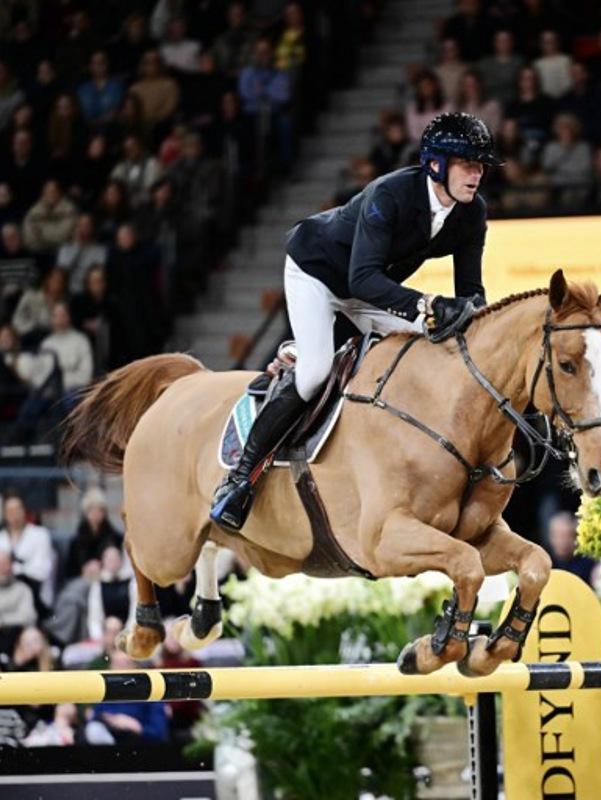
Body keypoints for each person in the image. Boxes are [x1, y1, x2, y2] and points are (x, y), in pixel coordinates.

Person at [210, 112, 503, 532]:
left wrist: (473, 321)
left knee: (435, 341)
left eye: (481, 166)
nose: (477, 175)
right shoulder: (390, 195)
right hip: (319, 272)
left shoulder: (472, 213)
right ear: (437, 164)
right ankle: (239, 479)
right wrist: (431, 303)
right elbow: (360, 278)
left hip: (367, 290)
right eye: (468, 164)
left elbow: (472, 291)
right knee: (313, 373)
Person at [546, 511, 598, 586]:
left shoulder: (589, 565)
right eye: (560, 536)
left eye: (568, 536)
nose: (564, 542)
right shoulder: (543, 564)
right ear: (551, 538)